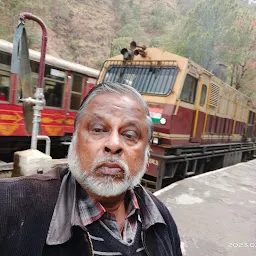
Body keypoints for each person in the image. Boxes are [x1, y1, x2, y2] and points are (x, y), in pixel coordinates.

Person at [0, 82, 182, 256]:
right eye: (98, 129)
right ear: (75, 137)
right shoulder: (11, 206)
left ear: (146, 150)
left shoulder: (161, 219)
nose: (113, 144)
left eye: (129, 135)